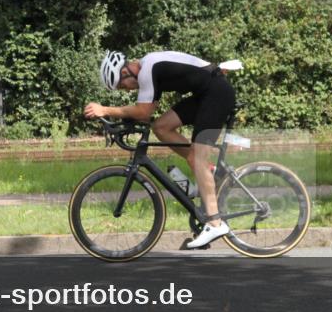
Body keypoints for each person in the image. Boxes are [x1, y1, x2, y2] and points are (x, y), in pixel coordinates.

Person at [84, 50, 236, 248]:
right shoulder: (150, 69)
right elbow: (147, 116)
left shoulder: (149, 69)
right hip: (206, 93)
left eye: (123, 86)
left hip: (216, 94)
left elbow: (143, 111)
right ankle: (209, 173)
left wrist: (105, 110)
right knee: (161, 127)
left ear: (125, 73)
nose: (128, 90)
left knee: (196, 159)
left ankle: (215, 222)